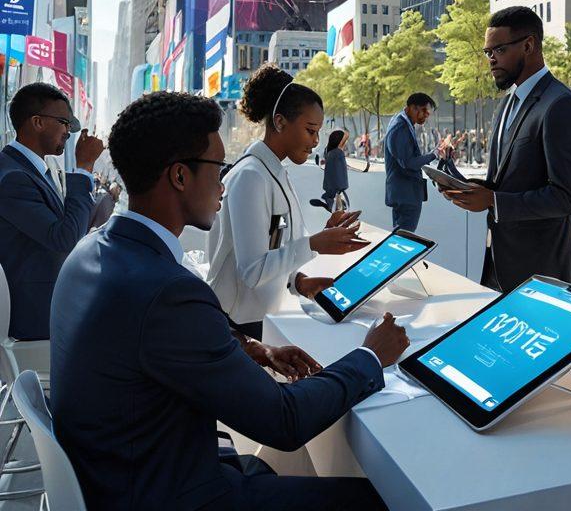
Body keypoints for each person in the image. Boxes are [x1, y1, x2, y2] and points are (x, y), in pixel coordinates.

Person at [49, 90, 408, 511]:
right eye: (218, 168)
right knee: (381, 498)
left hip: (124, 474)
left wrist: (251, 347)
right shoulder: (169, 291)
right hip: (170, 493)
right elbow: (284, 421)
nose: (224, 181)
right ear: (180, 176)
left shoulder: (91, 251)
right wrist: (368, 357)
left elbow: (148, 342)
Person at [207, 65, 368, 339]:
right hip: (237, 331)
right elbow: (252, 272)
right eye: (310, 130)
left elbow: (274, 249)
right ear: (280, 122)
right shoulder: (250, 177)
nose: (316, 142)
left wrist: (298, 282)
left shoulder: (274, 173)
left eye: (318, 133)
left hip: (261, 321)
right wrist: (315, 244)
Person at [442, 6, 571, 292]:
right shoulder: (508, 102)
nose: (491, 60)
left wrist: (493, 201)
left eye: (498, 50)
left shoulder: (560, 105)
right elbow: (506, 181)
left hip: (540, 272)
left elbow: (566, 198)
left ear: (529, 45)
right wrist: (473, 190)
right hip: (498, 262)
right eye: (487, 53)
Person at [0, 83, 103, 340]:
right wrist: (84, 167)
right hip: (33, 320)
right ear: (37, 122)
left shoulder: (33, 170)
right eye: (63, 122)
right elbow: (63, 238)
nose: (69, 132)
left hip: (50, 308)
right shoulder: (14, 177)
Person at [384, 93, 442, 232]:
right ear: (413, 108)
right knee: (404, 239)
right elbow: (408, 162)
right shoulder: (400, 127)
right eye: (424, 111)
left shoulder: (403, 122)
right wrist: (434, 154)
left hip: (404, 193)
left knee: (401, 237)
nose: (426, 116)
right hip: (406, 194)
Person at [320, 129, 350, 212]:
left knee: (338, 203)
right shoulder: (338, 153)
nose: (345, 143)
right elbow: (339, 172)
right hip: (337, 187)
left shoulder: (329, 151)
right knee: (340, 206)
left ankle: (333, 206)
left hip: (330, 186)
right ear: (339, 141)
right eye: (344, 141)